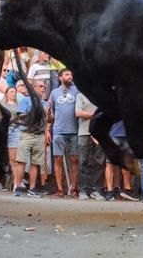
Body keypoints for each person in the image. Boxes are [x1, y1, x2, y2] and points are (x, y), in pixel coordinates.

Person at [47, 69, 80, 197]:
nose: (70, 76)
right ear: (59, 77)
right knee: (58, 159)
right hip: (58, 130)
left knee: (74, 160)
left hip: (74, 130)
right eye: (67, 74)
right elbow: (51, 117)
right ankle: (60, 189)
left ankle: (74, 188)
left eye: (71, 74)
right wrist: (48, 127)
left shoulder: (77, 90)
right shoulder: (54, 93)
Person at [13, 80, 48, 197]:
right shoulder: (25, 100)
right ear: (33, 88)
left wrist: (49, 114)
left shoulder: (45, 103)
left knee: (35, 163)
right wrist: (35, 112)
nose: (44, 88)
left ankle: (32, 188)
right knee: (21, 161)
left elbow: (49, 119)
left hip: (40, 135)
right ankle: (17, 186)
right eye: (41, 86)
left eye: (44, 86)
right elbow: (20, 116)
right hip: (27, 134)